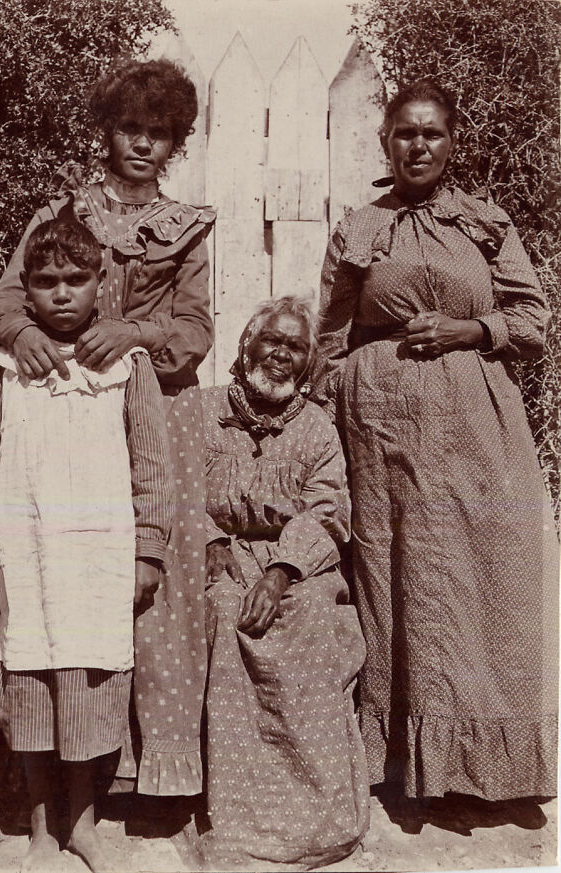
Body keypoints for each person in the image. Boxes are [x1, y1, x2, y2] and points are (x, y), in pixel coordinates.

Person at [0, 58, 215, 798]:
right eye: (129, 128)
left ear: (176, 143)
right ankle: (50, 769)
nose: (142, 144)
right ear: (105, 132)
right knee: (51, 580)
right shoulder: (58, 218)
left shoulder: (186, 228)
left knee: (153, 589)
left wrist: (132, 332)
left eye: (159, 133)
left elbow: (196, 328)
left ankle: (147, 774)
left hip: (150, 413)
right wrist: (23, 336)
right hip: (53, 421)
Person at [313, 79, 558, 805]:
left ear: (453, 144)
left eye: (432, 134)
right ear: (385, 142)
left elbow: (535, 320)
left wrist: (470, 330)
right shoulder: (360, 228)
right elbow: (330, 333)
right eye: (405, 134)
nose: (418, 145)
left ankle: (487, 769)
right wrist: (323, 428)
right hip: (380, 426)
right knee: (395, 581)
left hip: (475, 429)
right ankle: (401, 767)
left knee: (486, 577)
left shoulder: (484, 224)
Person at [0, 217, 174, 871]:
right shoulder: (5, 365)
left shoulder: (127, 366)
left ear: (100, 283)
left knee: (85, 683)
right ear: (28, 288)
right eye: (46, 282)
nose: (63, 294)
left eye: (77, 279)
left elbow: (153, 464)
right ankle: (43, 821)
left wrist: (148, 550)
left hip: (97, 560)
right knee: (29, 682)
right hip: (26, 555)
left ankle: (84, 819)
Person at [184, 297, 369, 870]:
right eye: (273, 341)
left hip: (297, 563)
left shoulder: (317, 428)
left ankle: (315, 815)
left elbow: (329, 509)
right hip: (216, 551)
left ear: (309, 363)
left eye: (296, 348)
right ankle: (240, 818)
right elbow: (174, 484)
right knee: (220, 611)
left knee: (309, 614)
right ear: (247, 348)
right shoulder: (201, 409)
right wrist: (209, 540)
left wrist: (283, 569)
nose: (282, 356)